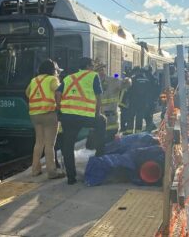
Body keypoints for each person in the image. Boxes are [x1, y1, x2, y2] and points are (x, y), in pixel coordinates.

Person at [55, 57, 106, 185]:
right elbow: (98, 96)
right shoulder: (93, 76)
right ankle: (100, 155)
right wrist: (97, 113)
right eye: (92, 65)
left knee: (68, 145)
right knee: (102, 121)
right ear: (89, 66)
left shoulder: (68, 78)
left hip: (68, 116)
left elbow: (57, 93)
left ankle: (71, 178)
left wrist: (59, 108)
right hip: (85, 116)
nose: (93, 68)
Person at [26, 59, 65, 179]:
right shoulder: (52, 79)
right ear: (53, 70)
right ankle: (52, 172)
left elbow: (27, 93)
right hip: (49, 113)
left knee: (39, 142)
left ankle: (35, 170)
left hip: (34, 114)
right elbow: (60, 91)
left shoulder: (34, 80)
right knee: (49, 144)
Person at [95, 63, 131, 141]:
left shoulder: (113, 80)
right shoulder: (93, 83)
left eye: (102, 69)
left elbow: (126, 84)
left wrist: (127, 80)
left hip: (110, 119)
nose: (101, 72)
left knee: (108, 142)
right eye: (99, 70)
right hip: (103, 119)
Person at [126, 67, 151, 134]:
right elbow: (149, 92)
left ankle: (129, 132)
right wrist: (147, 102)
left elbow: (129, 90)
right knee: (139, 118)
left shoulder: (133, 79)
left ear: (136, 72)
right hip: (142, 102)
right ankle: (138, 133)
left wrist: (128, 100)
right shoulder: (147, 80)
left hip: (133, 102)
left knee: (131, 117)